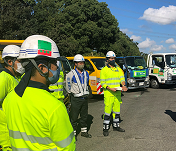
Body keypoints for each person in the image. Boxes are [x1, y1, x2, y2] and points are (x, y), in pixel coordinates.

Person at [3, 35, 76, 150]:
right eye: (54, 64)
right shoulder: (54, 107)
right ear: (42, 68)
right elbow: (68, 148)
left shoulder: (9, 99)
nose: (57, 68)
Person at [0, 45, 24, 151]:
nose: (23, 65)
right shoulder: (4, 78)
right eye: (20, 61)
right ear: (10, 62)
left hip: (14, 131)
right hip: (6, 137)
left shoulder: (15, 77)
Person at [100, 51, 128, 137]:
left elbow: (121, 78)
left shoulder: (118, 69)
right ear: (107, 59)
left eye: (114, 58)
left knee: (116, 112)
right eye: (111, 58)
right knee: (107, 113)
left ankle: (116, 126)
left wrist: (123, 85)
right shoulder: (104, 70)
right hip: (109, 94)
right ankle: (105, 128)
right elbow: (102, 83)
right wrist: (110, 88)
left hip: (117, 94)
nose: (113, 60)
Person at [66, 54, 92, 140]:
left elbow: (87, 84)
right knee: (74, 117)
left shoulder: (86, 73)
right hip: (75, 99)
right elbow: (68, 86)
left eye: (83, 62)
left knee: (84, 116)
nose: (82, 64)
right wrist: (72, 94)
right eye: (80, 62)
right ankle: (73, 134)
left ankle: (84, 132)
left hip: (84, 98)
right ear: (75, 64)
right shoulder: (71, 74)